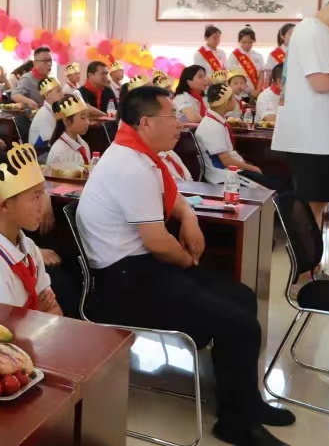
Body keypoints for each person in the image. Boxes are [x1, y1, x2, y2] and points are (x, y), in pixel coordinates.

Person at [78, 85, 295, 446]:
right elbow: (158, 243)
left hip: (142, 268)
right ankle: (235, 424)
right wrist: (189, 262)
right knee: (240, 324)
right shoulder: (129, 165)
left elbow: (173, 196)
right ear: (146, 123)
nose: (180, 124)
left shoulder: (140, 154)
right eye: (172, 117)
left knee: (242, 297)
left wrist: (189, 218)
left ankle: (246, 403)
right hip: (124, 282)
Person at [0, 143, 61, 315]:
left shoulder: (29, 247)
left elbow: (54, 310)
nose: (42, 207)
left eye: (42, 195)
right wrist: (37, 311)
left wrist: (34, 314)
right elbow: (0, 331)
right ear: (5, 206)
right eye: (35, 197)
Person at [272, 0, 329, 230]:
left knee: (317, 204)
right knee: (311, 206)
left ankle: (311, 254)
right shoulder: (312, 30)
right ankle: (303, 255)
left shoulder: (324, 32)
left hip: (321, 137)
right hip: (312, 138)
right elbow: (321, 82)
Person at [195, 83, 276, 190]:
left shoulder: (215, 121)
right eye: (232, 97)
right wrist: (253, 168)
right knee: (274, 186)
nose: (235, 100)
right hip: (224, 176)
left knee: (275, 177)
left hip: (232, 170)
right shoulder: (212, 126)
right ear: (226, 103)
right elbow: (226, 162)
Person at [46, 95, 91, 171]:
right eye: (83, 118)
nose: (87, 122)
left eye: (88, 117)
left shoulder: (83, 145)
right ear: (66, 121)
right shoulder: (60, 152)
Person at [27, 77, 64, 148]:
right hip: (41, 152)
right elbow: (51, 143)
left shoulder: (52, 110)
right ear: (47, 95)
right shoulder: (44, 115)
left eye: (61, 90)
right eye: (58, 91)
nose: (62, 93)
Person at [231, 26, 263, 95]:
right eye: (244, 42)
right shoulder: (234, 55)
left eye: (250, 42)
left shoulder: (258, 56)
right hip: (240, 93)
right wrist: (248, 91)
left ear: (253, 41)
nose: (247, 45)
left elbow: (261, 76)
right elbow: (231, 77)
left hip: (256, 92)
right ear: (239, 41)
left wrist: (257, 91)